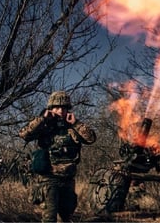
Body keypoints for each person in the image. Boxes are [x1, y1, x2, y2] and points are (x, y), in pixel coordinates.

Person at [19, 91, 97, 222]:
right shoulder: (44, 126)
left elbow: (91, 138)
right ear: (50, 109)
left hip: (68, 179)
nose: (60, 111)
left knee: (67, 217)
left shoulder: (72, 128)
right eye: (57, 107)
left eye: (64, 108)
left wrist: (76, 123)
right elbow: (24, 134)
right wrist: (42, 119)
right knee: (49, 218)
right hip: (49, 179)